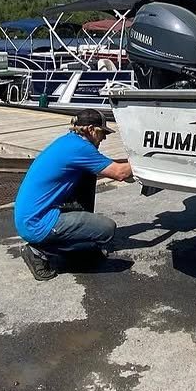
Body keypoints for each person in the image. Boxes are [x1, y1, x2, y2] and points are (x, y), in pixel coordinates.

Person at [13, 108, 133, 280]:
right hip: (37, 223)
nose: (104, 137)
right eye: (102, 133)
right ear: (91, 129)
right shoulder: (80, 149)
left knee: (87, 175)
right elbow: (120, 173)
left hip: (32, 216)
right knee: (107, 229)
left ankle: (78, 248)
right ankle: (38, 251)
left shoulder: (69, 142)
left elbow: (109, 166)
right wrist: (148, 160)